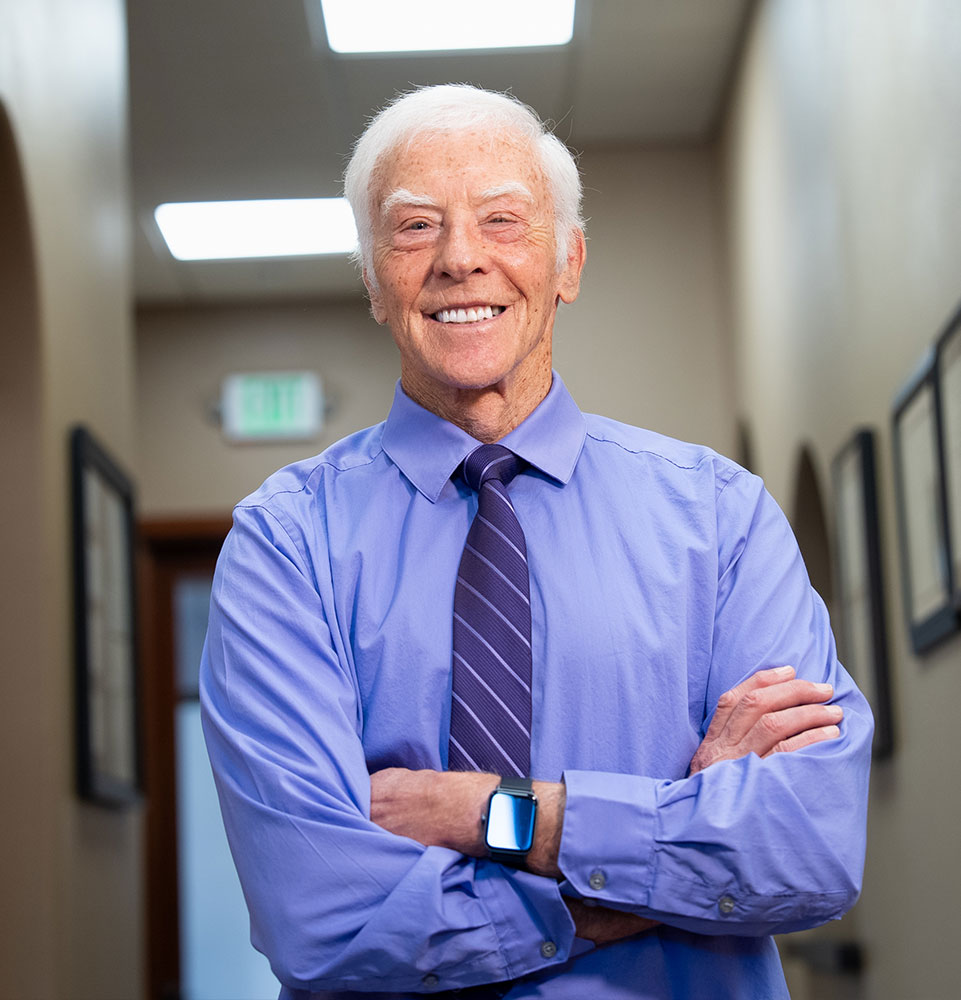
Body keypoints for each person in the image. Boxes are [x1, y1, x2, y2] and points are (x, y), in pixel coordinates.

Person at [200, 84, 873, 999]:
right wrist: (664, 856)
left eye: (502, 219)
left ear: (569, 261)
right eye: (413, 228)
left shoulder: (720, 519)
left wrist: (494, 815)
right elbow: (324, 921)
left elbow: (805, 849)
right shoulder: (284, 545)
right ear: (370, 278)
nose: (460, 259)